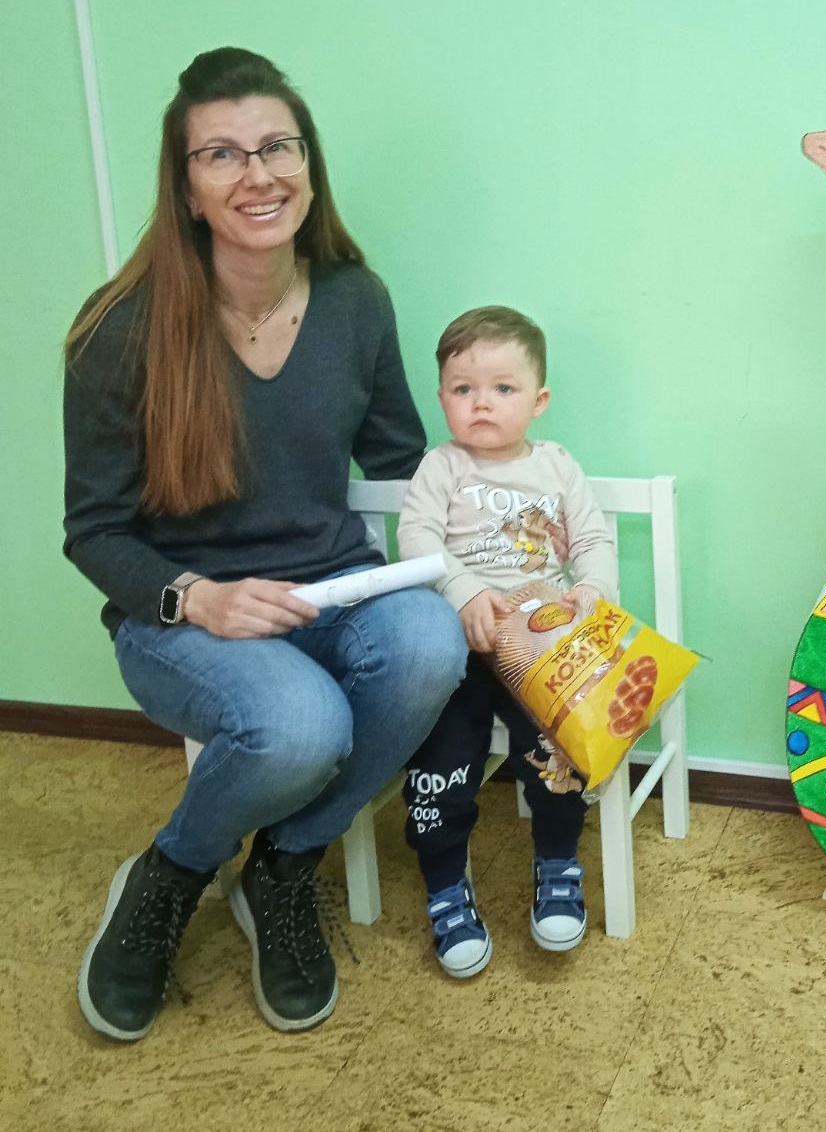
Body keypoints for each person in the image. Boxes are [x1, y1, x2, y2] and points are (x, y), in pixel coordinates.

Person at [63, 47, 467, 1041]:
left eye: (278, 146)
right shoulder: (119, 329)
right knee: (301, 727)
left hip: (331, 589)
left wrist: (513, 513)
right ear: (186, 188)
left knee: (430, 643)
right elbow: (94, 531)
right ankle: (172, 872)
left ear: (309, 165)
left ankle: (283, 867)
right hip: (181, 616)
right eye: (223, 155)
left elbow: (401, 464)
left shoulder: (356, 300)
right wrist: (199, 597)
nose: (258, 175)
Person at [397, 305, 617, 977]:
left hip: (538, 649)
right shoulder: (442, 467)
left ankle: (558, 863)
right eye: (463, 389)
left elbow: (591, 538)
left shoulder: (556, 466)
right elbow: (416, 538)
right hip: (459, 647)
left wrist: (592, 587)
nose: (481, 403)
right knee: (442, 758)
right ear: (442, 398)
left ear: (538, 401)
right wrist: (463, 589)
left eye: (502, 388)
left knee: (555, 749)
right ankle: (444, 885)